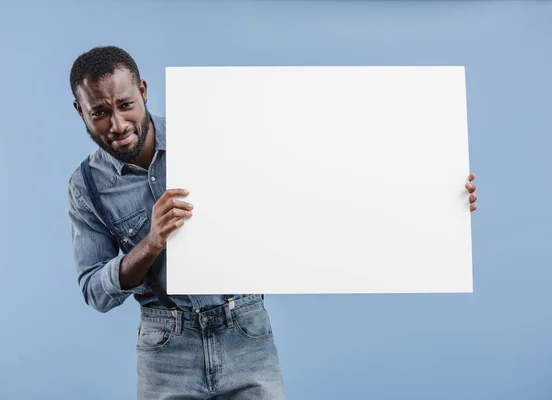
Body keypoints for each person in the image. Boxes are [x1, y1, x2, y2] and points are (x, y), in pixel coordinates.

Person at [66, 45, 479, 400]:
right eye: (99, 113)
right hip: (164, 344)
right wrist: (151, 243)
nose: (117, 125)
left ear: (142, 91)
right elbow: (94, 292)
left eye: (125, 106)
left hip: (244, 329)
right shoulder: (86, 187)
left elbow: (326, 177)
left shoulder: (214, 135)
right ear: (80, 111)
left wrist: (438, 197)